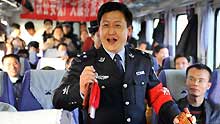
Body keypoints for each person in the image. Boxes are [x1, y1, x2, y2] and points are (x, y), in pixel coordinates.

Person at [53, 2, 194, 124]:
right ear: (100, 30)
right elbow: (58, 99)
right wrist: (80, 90)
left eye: (117, 25)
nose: (111, 31)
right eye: (106, 25)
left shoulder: (143, 60)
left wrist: (175, 116)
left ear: (129, 31)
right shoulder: (84, 62)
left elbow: (158, 95)